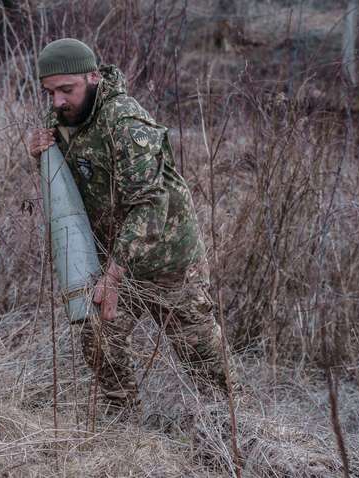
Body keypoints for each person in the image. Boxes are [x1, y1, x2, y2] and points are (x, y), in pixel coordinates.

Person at [27, 38, 235, 413]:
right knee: (98, 336)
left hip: (167, 260)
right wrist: (41, 158)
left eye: (66, 90)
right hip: (114, 258)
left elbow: (150, 205)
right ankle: (124, 421)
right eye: (50, 92)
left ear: (93, 77)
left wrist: (113, 276)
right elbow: (67, 192)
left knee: (202, 356)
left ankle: (235, 430)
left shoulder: (124, 120)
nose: (57, 101)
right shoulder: (59, 121)